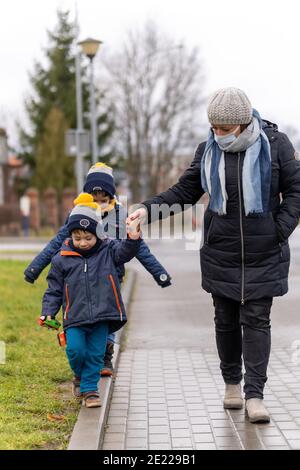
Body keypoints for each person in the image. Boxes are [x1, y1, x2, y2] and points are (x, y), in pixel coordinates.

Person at [127, 87, 300, 423]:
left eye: (224, 129)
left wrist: (279, 229)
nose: (217, 134)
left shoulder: (276, 146)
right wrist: (147, 210)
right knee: (225, 321)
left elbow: (295, 190)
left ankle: (255, 395)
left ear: (241, 123)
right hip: (221, 251)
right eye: (213, 127)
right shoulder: (208, 150)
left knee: (257, 321)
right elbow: (186, 190)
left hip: (264, 251)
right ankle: (232, 384)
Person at [25, 163, 172, 376]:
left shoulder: (121, 216)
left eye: (103, 197)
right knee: (86, 316)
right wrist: (34, 269)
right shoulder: (77, 215)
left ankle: (106, 356)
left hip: (111, 275)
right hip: (79, 278)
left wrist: (159, 273)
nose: (99, 201)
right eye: (94, 197)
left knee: (107, 312)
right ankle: (90, 358)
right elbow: (57, 242)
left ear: (111, 195)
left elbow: (140, 248)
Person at [40, 193, 142, 407]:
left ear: (98, 234)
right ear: (71, 236)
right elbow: (54, 289)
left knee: (96, 355)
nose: (83, 243)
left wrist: (133, 238)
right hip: (75, 316)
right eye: (77, 238)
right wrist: (48, 311)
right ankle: (79, 375)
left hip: (103, 315)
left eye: (88, 238)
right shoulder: (61, 259)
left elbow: (126, 252)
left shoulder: (109, 251)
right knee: (75, 351)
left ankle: (90, 391)